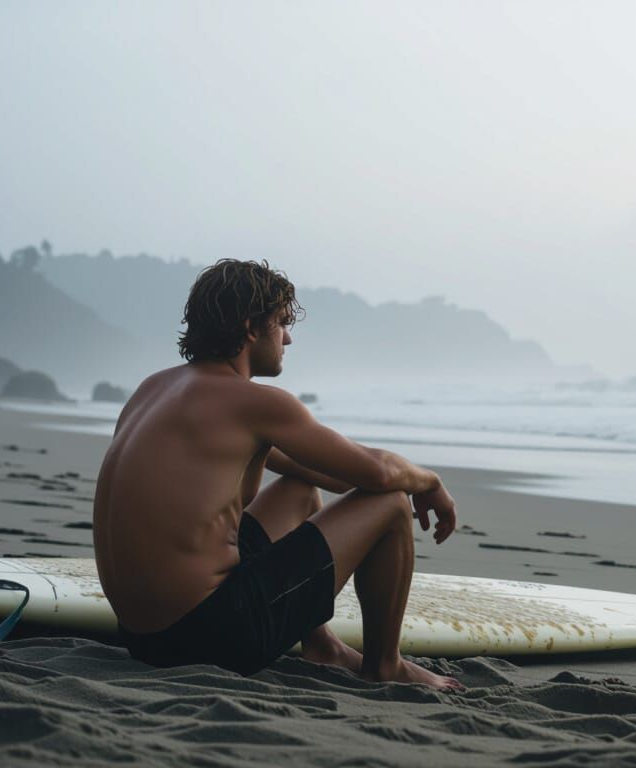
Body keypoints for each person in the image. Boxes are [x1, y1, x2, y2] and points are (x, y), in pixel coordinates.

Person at [93, 259, 462, 689]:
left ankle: (321, 645)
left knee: (300, 492)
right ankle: (386, 664)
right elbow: (378, 475)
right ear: (251, 328)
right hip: (208, 636)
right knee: (392, 504)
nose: (288, 338)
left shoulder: (153, 389)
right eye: (281, 323)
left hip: (141, 637)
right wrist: (429, 482)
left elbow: (332, 476)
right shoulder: (254, 404)